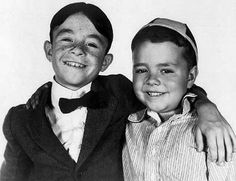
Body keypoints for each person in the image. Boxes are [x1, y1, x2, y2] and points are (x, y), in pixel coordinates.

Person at [0, 2, 235, 181]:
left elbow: (174, 89)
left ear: (105, 62)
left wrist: (207, 108)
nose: (78, 51)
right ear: (49, 50)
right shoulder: (20, 119)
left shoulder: (120, 92)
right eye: (66, 40)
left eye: (91, 44)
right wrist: (43, 91)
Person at [122, 18, 236, 181]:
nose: (152, 80)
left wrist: (205, 106)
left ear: (190, 76)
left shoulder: (210, 131)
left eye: (166, 71)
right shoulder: (127, 121)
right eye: (141, 70)